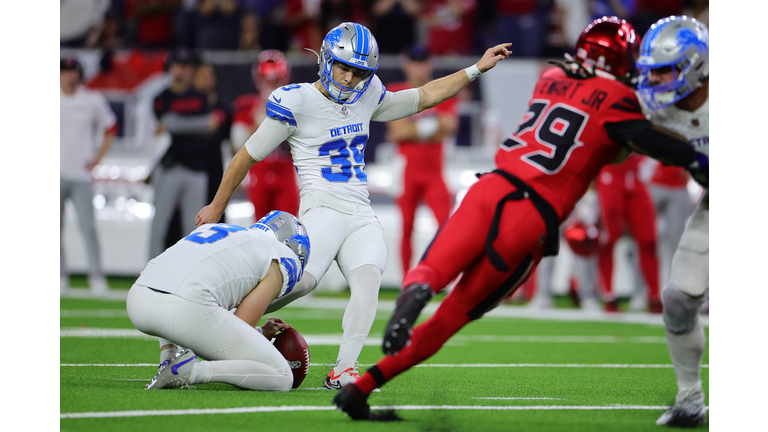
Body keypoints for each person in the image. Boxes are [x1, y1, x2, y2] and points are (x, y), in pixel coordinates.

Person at [332, 16, 700, 420]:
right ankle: (366, 386)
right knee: (453, 315)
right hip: (532, 215)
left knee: (433, 268)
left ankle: (411, 299)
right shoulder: (619, 99)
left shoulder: (550, 77)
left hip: (492, 185)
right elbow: (663, 148)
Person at [195, 22, 512, 390]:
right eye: (343, 66)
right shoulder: (297, 100)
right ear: (326, 60)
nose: (349, 78)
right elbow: (245, 156)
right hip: (321, 209)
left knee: (368, 279)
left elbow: (424, 96)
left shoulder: (368, 94)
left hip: (359, 211)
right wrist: (218, 205)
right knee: (298, 284)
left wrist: (476, 68)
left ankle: (345, 367)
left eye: (359, 72)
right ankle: (216, 324)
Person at [126, 211, 310, 391]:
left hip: (137, 299)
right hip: (184, 310)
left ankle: (169, 356)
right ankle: (193, 371)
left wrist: (261, 331)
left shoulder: (224, 231)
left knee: (180, 280)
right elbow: (241, 324)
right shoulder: (284, 257)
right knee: (283, 376)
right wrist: (258, 334)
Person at [634, 15, 709, 427]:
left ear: (695, 64)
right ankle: (689, 399)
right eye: (651, 72)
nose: (656, 80)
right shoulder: (652, 107)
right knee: (678, 300)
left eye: (664, 70)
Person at [386, 45, 458, 277]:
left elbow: (449, 127)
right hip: (409, 169)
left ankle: (441, 275)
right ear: (406, 64)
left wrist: (413, 128)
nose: (419, 68)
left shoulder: (441, 90)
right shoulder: (395, 91)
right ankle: (407, 279)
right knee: (406, 226)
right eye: (415, 62)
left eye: (423, 62)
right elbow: (397, 132)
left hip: (433, 170)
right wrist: (432, 124)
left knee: (446, 226)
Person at [149, 49, 225, 259]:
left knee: (193, 230)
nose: (183, 70)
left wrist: (177, 124)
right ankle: (149, 274)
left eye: (187, 66)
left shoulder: (199, 96)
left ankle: (188, 276)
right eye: (179, 65)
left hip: (197, 170)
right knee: (160, 226)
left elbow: (209, 125)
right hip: (170, 168)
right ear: (171, 67)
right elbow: (169, 123)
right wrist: (197, 125)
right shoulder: (161, 98)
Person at [60, 57, 117, 295]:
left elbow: (111, 127)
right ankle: (59, 276)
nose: (69, 75)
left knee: (88, 228)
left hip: (81, 175)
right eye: (65, 71)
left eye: (73, 71)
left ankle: (96, 276)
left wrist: (98, 157)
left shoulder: (92, 100)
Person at [230, 50, 300, 221]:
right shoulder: (246, 105)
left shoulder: (296, 106)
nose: (270, 85)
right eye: (267, 80)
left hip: (286, 174)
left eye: (275, 80)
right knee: (260, 228)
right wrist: (260, 118)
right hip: (258, 174)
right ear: (258, 79)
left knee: (289, 226)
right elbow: (238, 141)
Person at [595, 153, 662, 313]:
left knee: (648, 241)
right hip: (611, 172)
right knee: (608, 239)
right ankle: (608, 295)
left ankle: (654, 296)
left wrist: (654, 159)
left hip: (637, 175)